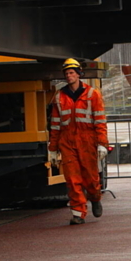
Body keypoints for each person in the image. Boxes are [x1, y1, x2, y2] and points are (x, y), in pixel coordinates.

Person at [47, 58, 109, 225]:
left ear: (79, 74)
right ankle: (78, 213)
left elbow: (100, 121)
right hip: (67, 142)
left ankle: (95, 199)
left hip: (87, 140)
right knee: (72, 180)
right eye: (66, 73)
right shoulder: (59, 97)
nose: (69, 76)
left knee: (91, 178)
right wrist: (52, 148)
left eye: (71, 73)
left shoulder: (92, 94)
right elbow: (55, 125)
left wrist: (102, 144)